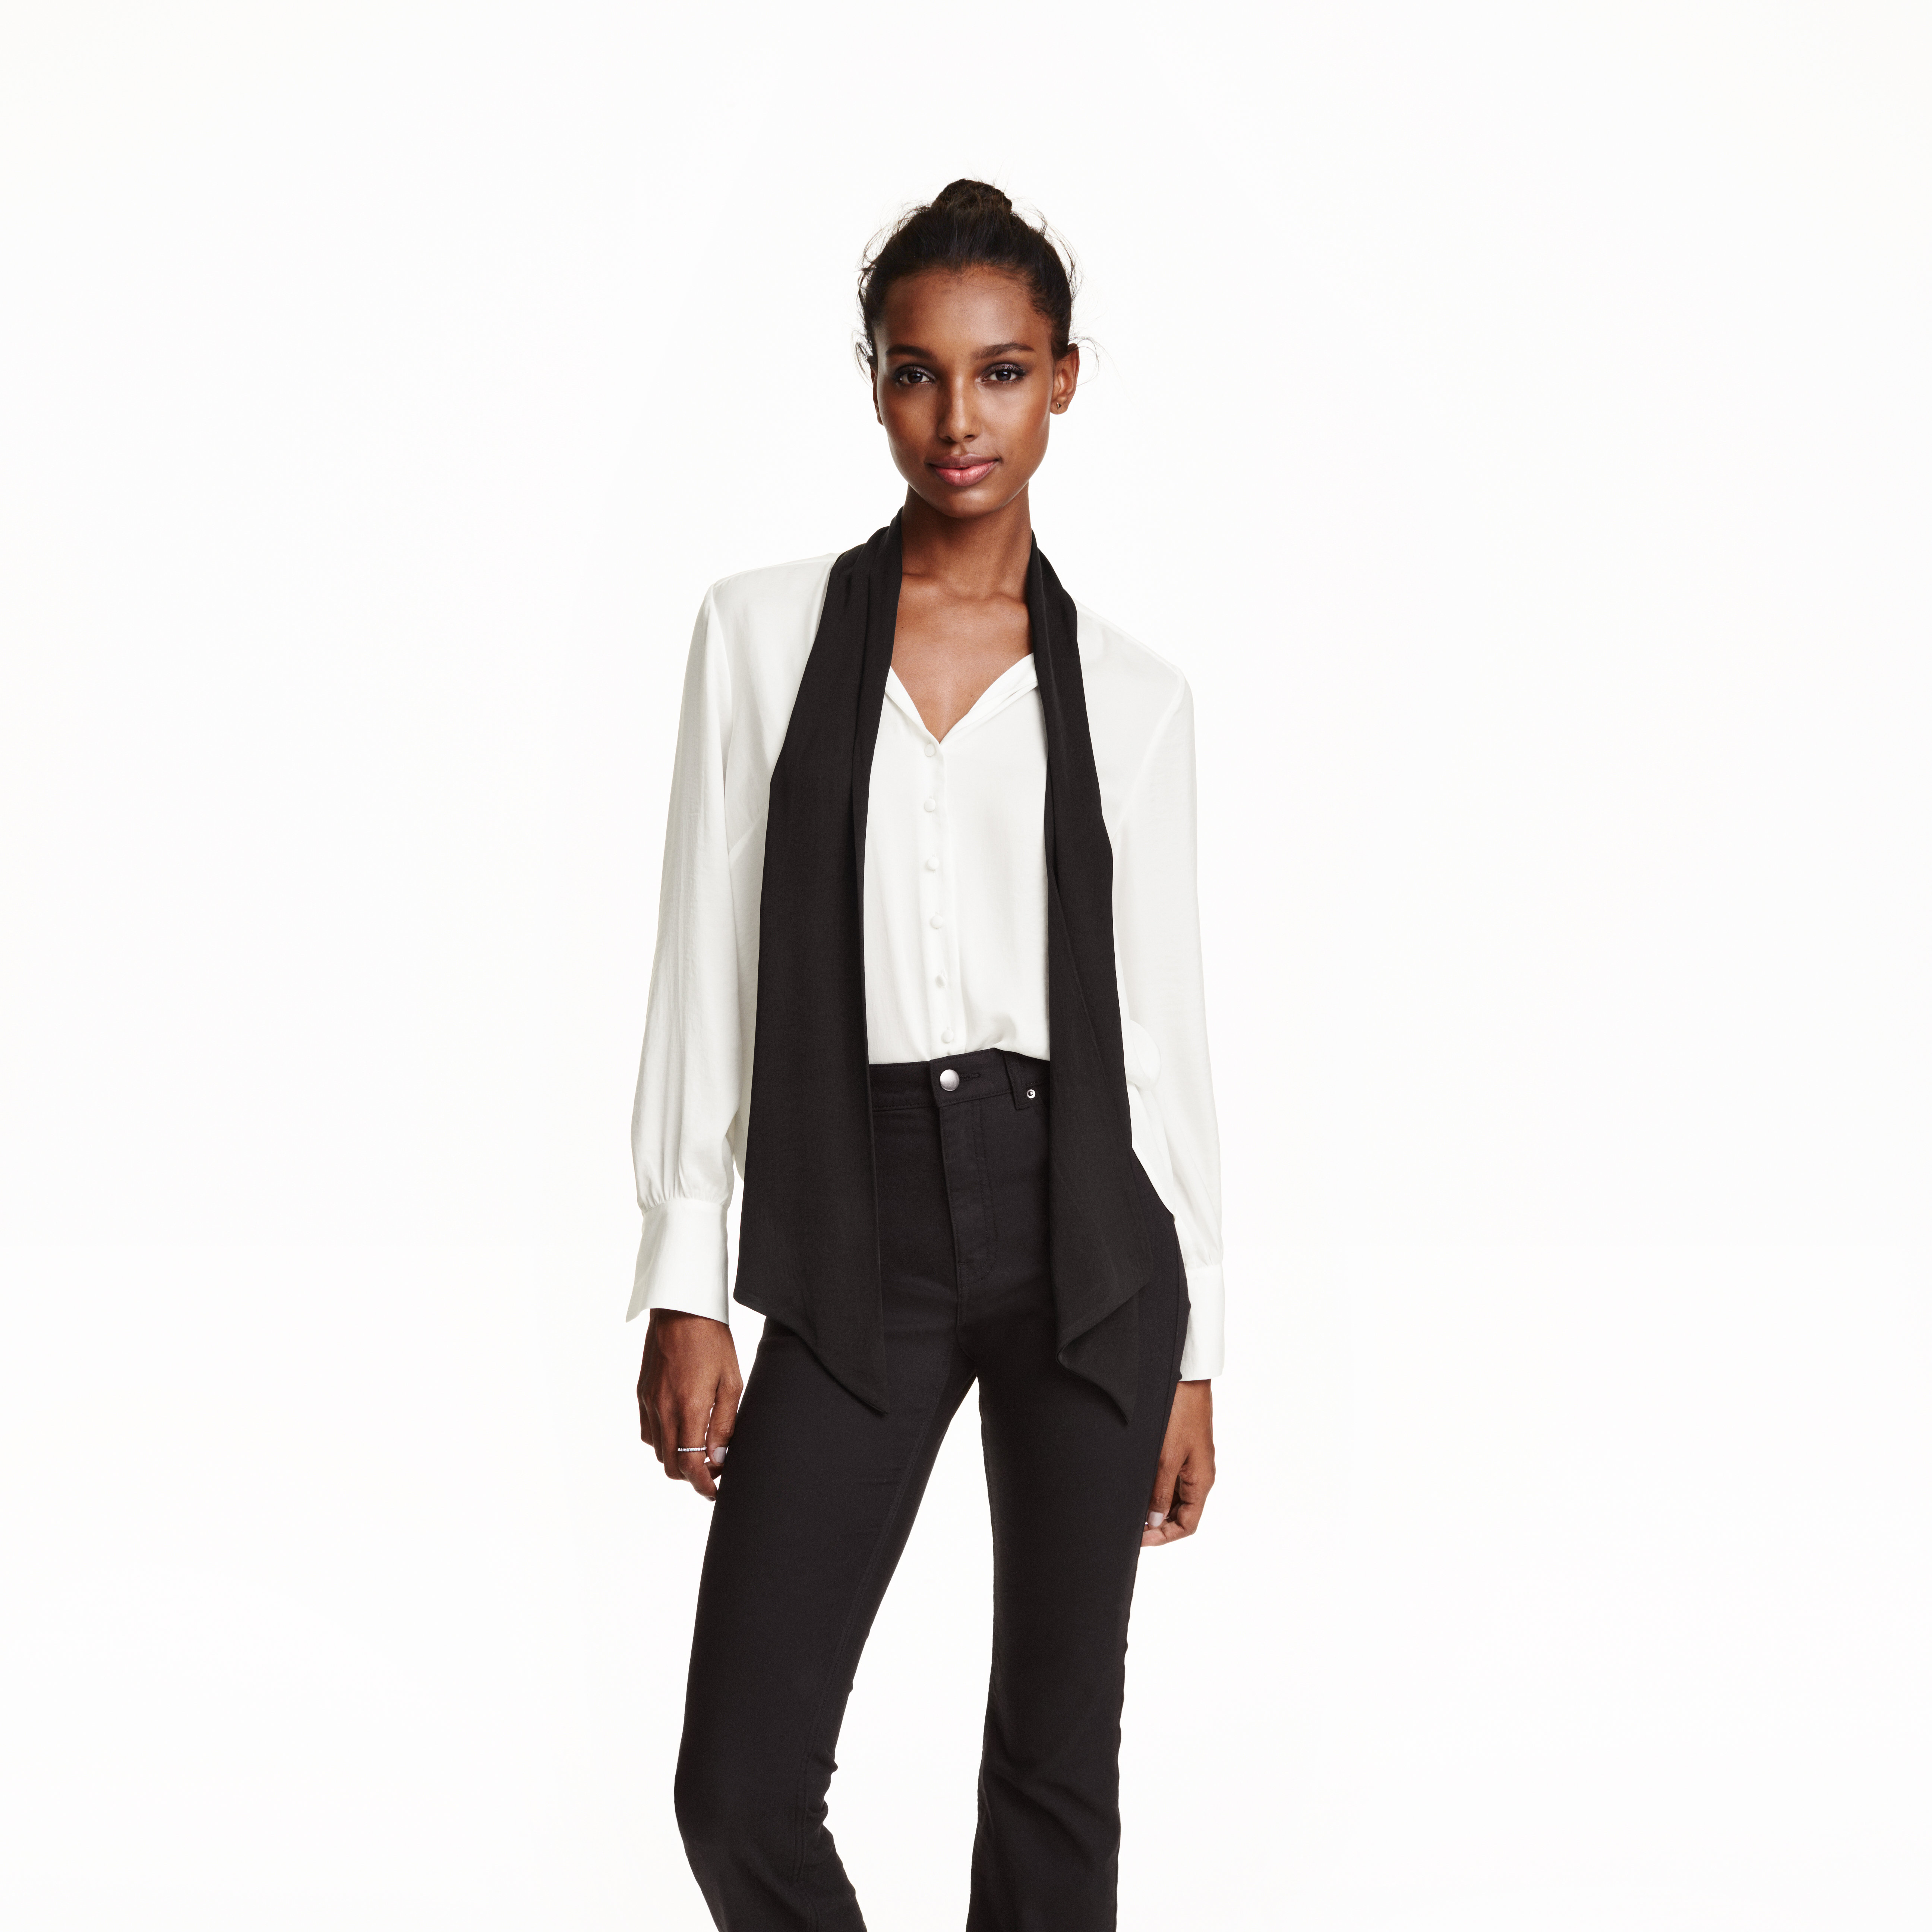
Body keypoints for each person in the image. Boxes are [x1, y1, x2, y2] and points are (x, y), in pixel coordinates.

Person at [629, 179, 1225, 1931]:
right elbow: (701, 966)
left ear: (1063, 382)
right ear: (877, 382)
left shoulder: (1134, 696)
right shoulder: (760, 638)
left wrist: (1201, 1349)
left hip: (1087, 1236)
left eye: (1002, 371)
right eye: (917, 372)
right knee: (740, 1786)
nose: (959, 417)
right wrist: (682, 1273)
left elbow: (1166, 1033)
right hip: (856, 1224)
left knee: (1056, 1773)